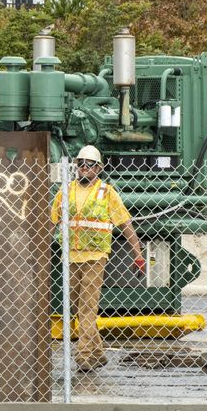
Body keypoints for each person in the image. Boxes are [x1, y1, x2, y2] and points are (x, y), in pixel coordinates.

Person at [50, 144, 145, 372]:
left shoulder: (107, 192)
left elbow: (125, 223)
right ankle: (98, 351)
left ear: (99, 168)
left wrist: (138, 254)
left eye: (89, 164)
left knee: (88, 306)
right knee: (75, 305)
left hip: (95, 257)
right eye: (80, 163)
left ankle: (83, 355)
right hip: (70, 257)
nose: (84, 168)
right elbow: (51, 222)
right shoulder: (65, 191)